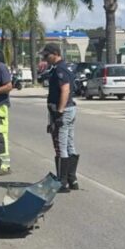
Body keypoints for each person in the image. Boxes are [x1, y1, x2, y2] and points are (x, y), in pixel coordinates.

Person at [39, 43, 79, 193]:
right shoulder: (63, 67)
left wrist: (60, 112)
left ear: (55, 53)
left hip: (64, 110)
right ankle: (72, 178)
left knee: (61, 146)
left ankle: (62, 182)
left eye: (47, 55)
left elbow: (65, 90)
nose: (45, 58)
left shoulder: (61, 69)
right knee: (69, 144)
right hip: (69, 109)